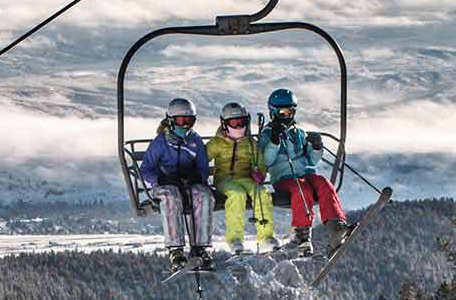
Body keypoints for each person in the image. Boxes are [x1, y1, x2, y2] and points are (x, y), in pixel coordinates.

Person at [259, 88, 348, 255]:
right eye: (283, 112)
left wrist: (316, 147)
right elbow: (266, 161)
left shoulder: (298, 133)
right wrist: (274, 142)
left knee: (324, 184)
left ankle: (336, 225)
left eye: (291, 111)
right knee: (302, 189)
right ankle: (302, 235)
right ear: (273, 112)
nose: (287, 115)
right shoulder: (267, 134)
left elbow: (311, 161)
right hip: (284, 179)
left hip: (307, 175)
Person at [138, 98, 214, 272]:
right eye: (182, 120)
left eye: (190, 121)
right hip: (165, 185)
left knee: (204, 195)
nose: (186, 125)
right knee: (171, 197)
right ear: (171, 120)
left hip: (187, 184)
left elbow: (202, 168)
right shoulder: (161, 142)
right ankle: (176, 250)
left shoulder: (195, 141)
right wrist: (161, 179)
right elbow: (146, 169)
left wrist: (195, 178)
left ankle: (199, 247)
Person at [206, 102, 278, 255]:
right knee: (237, 195)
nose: (238, 126)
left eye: (241, 122)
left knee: (261, 193)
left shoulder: (250, 143)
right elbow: (202, 160)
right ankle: (235, 240)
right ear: (225, 124)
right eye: (234, 123)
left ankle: (266, 237)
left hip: (246, 178)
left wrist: (260, 173)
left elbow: (261, 163)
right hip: (225, 181)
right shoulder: (217, 143)